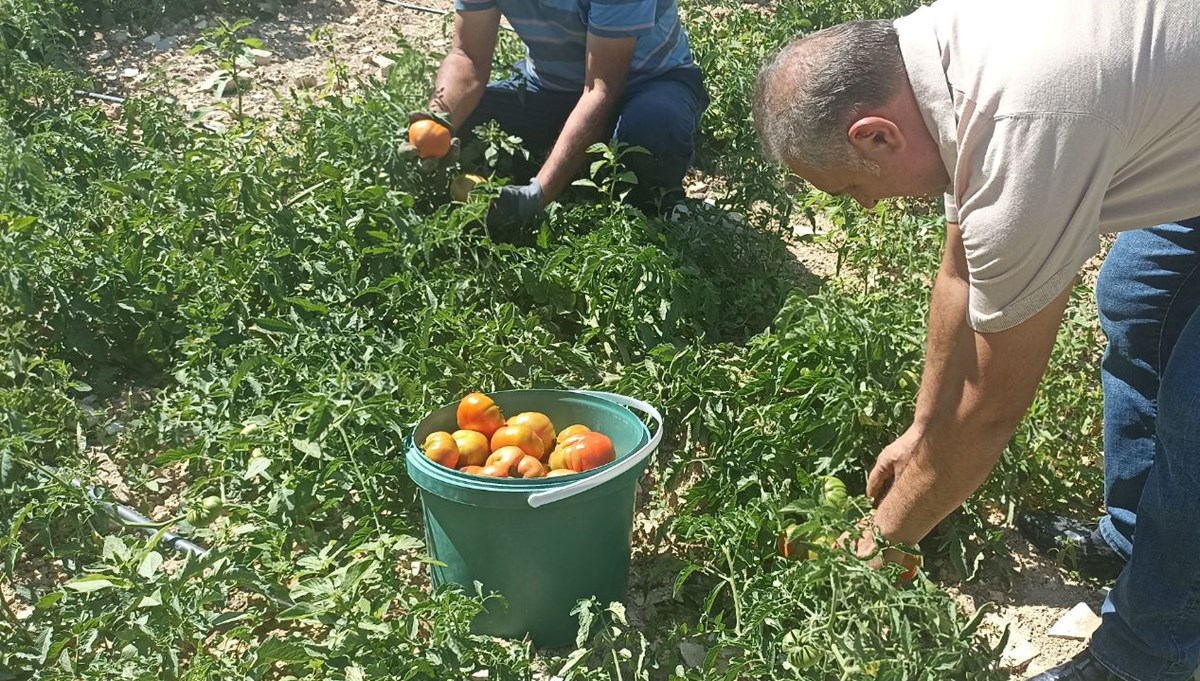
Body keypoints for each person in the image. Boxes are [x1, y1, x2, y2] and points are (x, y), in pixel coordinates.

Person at [752, 0, 1200, 679]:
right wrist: (922, 427)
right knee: (1138, 298)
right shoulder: (938, 61)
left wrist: (881, 537)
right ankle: (1146, 539)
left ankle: (1154, 650)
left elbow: (990, 409)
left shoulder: (1020, 124)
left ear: (877, 136)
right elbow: (958, 275)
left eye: (850, 189)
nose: (867, 206)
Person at [405, 0, 710, 235]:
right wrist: (438, 124)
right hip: (553, 88)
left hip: (648, 83)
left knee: (652, 129)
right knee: (468, 121)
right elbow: (467, 56)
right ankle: (579, 164)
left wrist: (539, 194)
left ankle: (656, 197)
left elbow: (602, 88)